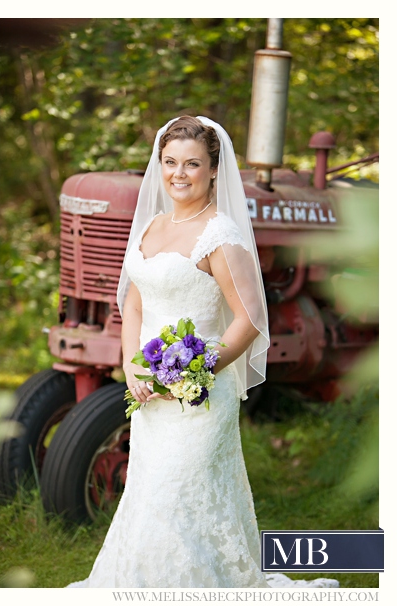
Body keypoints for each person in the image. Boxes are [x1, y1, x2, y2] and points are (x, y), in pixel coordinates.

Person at [68, 116, 338, 588]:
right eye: (170, 162)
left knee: (177, 495)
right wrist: (132, 367)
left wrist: (195, 370)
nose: (179, 173)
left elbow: (250, 320)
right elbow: (133, 302)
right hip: (150, 394)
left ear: (214, 169)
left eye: (192, 163)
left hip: (199, 398)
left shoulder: (221, 236)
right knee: (149, 494)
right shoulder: (151, 225)